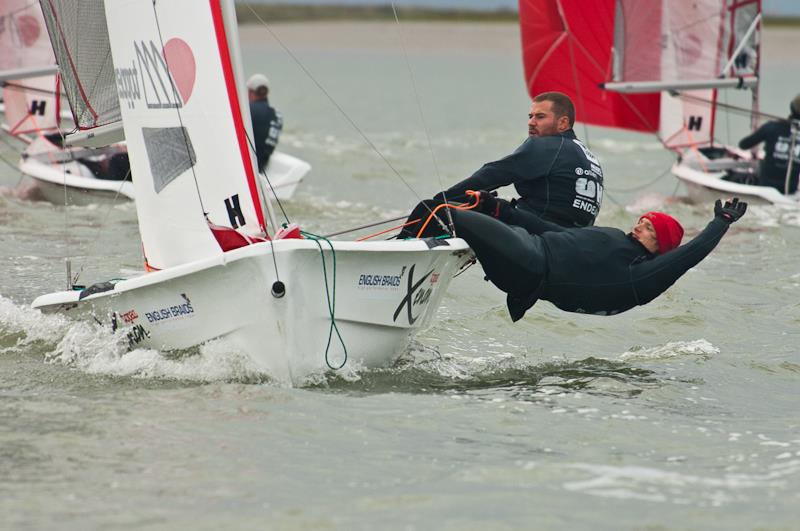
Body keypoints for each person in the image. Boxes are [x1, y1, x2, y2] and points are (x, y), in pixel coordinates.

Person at [417, 191, 747, 321]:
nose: (638, 226)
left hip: (532, 268)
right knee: (435, 209)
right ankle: (394, 257)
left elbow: (689, 255)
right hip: (529, 246)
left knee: (447, 213)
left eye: (647, 227)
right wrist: (499, 208)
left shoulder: (642, 278)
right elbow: (550, 231)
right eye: (640, 220)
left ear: (661, 244)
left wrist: (721, 223)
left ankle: (393, 272)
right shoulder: (616, 240)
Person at [738, 94, 800, 194]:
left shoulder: (772, 127)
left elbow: (743, 145)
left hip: (766, 187)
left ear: (791, 107)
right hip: (790, 190)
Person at [247, 73, 283, 172]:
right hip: (263, 167)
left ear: (250, 92)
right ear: (267, 92)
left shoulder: (248, 110)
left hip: (249, 169)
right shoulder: (277, 115)